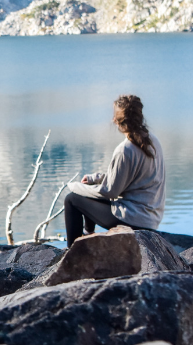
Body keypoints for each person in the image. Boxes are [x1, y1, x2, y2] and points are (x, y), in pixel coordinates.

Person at [63, 94, 165, 247]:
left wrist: (75, 187)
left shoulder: (125, 150)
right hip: (151, 218)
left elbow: (110, 192)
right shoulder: (152, 140)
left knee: (72, 199)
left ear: (116, 120)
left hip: (132, 220)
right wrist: (95, 178)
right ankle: (88, 234)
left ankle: (72, 252)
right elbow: (128, 178)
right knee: (89, 189)